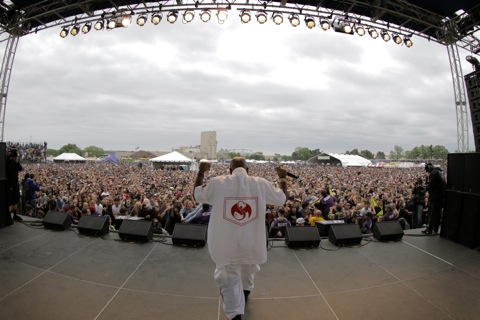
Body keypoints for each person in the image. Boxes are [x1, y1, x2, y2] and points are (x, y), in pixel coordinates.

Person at [193, 158, 288, 320]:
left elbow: (197, 196)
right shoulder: (261, 183)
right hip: (252, 241)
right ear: (248, 169)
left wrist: (201, 172)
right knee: (248, 267)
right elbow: (282, 199)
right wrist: (283, 178)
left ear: (229, 170)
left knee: (229, 277)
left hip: (226, 243)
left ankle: (235, 314)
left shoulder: (217, 182)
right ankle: (245, 295)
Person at [422, 163, 446, 235]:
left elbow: (431, 185)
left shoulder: (433, 173)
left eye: (427, 170)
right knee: (437, 214)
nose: (427, 172)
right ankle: (435, 229)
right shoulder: (439, 172)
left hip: (434, 197)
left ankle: (429, 230)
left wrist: (425, 188)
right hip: (440, 197)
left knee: (431, 214)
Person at [5, 148, 23, 224]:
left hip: (14, 184)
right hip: (11, 184)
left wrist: (16, 161)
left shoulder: (12, 161)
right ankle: (10, 216)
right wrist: (14, 160)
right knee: (11, 200)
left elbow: (20, 168)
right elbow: (19, 168)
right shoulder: (9, 162)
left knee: (15, 200)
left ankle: (14, 215)